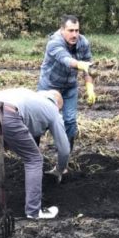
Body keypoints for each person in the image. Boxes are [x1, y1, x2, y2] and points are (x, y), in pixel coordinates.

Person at [0, 88, 69, 219]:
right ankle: (34, 211)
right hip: (7, 113)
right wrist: (60, 169)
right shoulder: (52, 110)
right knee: (34, 159)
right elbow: (64, 149)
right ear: (58, 105)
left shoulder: (30, 96)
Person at [37, 14, 96, 151]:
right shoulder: (54, 43)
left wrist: (89, 87)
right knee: (42, 121)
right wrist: (82, 65)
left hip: (70, 87)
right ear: (62, 29)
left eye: (77, 30)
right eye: (70, 31)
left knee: (70, 121)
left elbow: (88, 66)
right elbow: (66, 60)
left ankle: (66, 153)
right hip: (49, 87)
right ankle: (32, 153)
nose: (74, 34)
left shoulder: (83, 42)